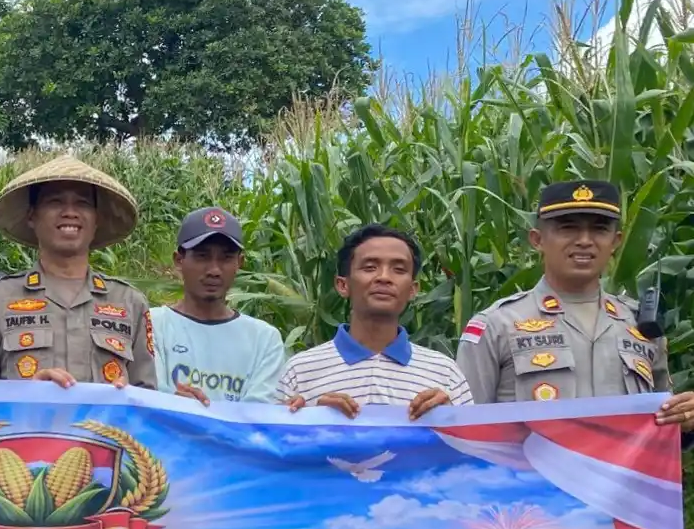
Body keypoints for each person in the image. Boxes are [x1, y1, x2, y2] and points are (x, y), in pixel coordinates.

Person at [456, 180, 694, 438]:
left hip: (620, 478)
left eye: (599, 230)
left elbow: (663, 430)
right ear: (537, 239)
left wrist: (685, 420)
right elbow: (463, 433)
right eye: (567, 228)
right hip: (534, 476)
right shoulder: (497, 325)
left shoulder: (640, 325)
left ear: (615, 241)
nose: (584, 241)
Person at [0, 156, 157, 390]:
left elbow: (147, 398)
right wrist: (29, 393)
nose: (69, 212)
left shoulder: (129, 303)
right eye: (55, 202)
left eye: (82, 203)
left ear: (97, 219)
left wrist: (126, 395)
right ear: (32, 216)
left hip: (105, 427)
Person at [278, 223, 472, 419]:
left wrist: (451, 420)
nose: (384, 277)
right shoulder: (300, 372)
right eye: (370, 267)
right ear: (343, 285)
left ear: (413, 289)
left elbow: (474, 447)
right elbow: (274, 444)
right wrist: (305, 422)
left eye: (398, 269)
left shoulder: (445, 373)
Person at [150, 207, 286, 403]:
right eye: (202, 256)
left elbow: (257, 419)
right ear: (179, 260)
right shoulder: (152, 325)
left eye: (226, 258)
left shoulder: (264, 340)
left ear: (239, 263)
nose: (214, 270)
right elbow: (149, 402)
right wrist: (173, 404)